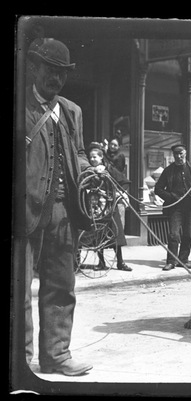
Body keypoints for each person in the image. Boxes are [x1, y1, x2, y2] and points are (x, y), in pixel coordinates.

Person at [24, 38, 93, 376]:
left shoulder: (71, 110)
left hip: (64, 213)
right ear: (34, 67)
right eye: (50, 70)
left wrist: (88, 169)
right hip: (23, 213)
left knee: (62, 287)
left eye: (62, 73)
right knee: (19, 290)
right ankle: (20, 361)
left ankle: (56, 356)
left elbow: (78, 152)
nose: (56, 78)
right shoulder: (20, 105)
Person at [86, 142, 132, 272]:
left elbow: (125, 182)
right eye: (91, 157)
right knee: (98, 234)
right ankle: (101, 263)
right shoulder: (88, 171)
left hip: (110, 206)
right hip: (95, 207)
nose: (92, 159)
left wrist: (118, 193)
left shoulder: (109, 169)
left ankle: (120, 262)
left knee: (116, 234)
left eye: (95, 157)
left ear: (101, 157)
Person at [155, 144, 191, 271]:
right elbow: (158, 189)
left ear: (185, 153)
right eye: (176, 154)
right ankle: (171, 261)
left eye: (181, 153)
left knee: (188, 235)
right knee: (173, 235)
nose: (179, 156)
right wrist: (171, 197)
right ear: (173, 155)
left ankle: (183, 260)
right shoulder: (168, 171)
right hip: (175, 208)